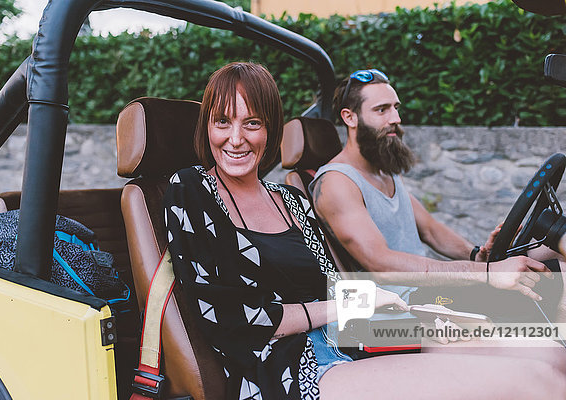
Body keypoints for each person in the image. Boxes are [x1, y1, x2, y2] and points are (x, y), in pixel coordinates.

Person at [163, 62, 566, 399]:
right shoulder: (191, 189)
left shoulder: (291, 200)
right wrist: (345, 306)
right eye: (222, 122)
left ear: (269, 128)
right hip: (288, 367)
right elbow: (232, 318)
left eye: (251, 122)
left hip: (355, 331)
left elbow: (336, 285)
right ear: (207, 126)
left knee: (552, 360)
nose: (236, 139)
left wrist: (405, 301)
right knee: (536, 384)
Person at [309, 69, 566, 319]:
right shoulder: (336, 182)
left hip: (426, 290)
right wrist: (486, 273)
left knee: (549, 254)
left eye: (396, 107)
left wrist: (476, 254)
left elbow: (430, 229)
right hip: (400, 306)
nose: (395, 118)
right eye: (381, 109)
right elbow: (382, 265)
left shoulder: (383, 170)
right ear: (350, 117)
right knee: (556, 280)